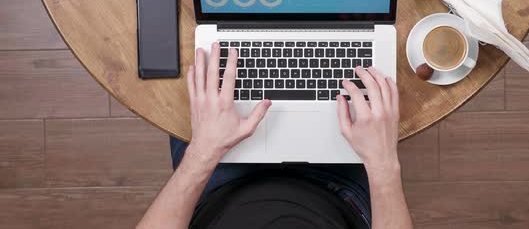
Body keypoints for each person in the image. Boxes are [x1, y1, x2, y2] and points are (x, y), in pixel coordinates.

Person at [137, 43, 413, 229]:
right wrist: (383, 165)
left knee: (189, 90)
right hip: (341, 191)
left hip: (215, 180)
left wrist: (202, 153)